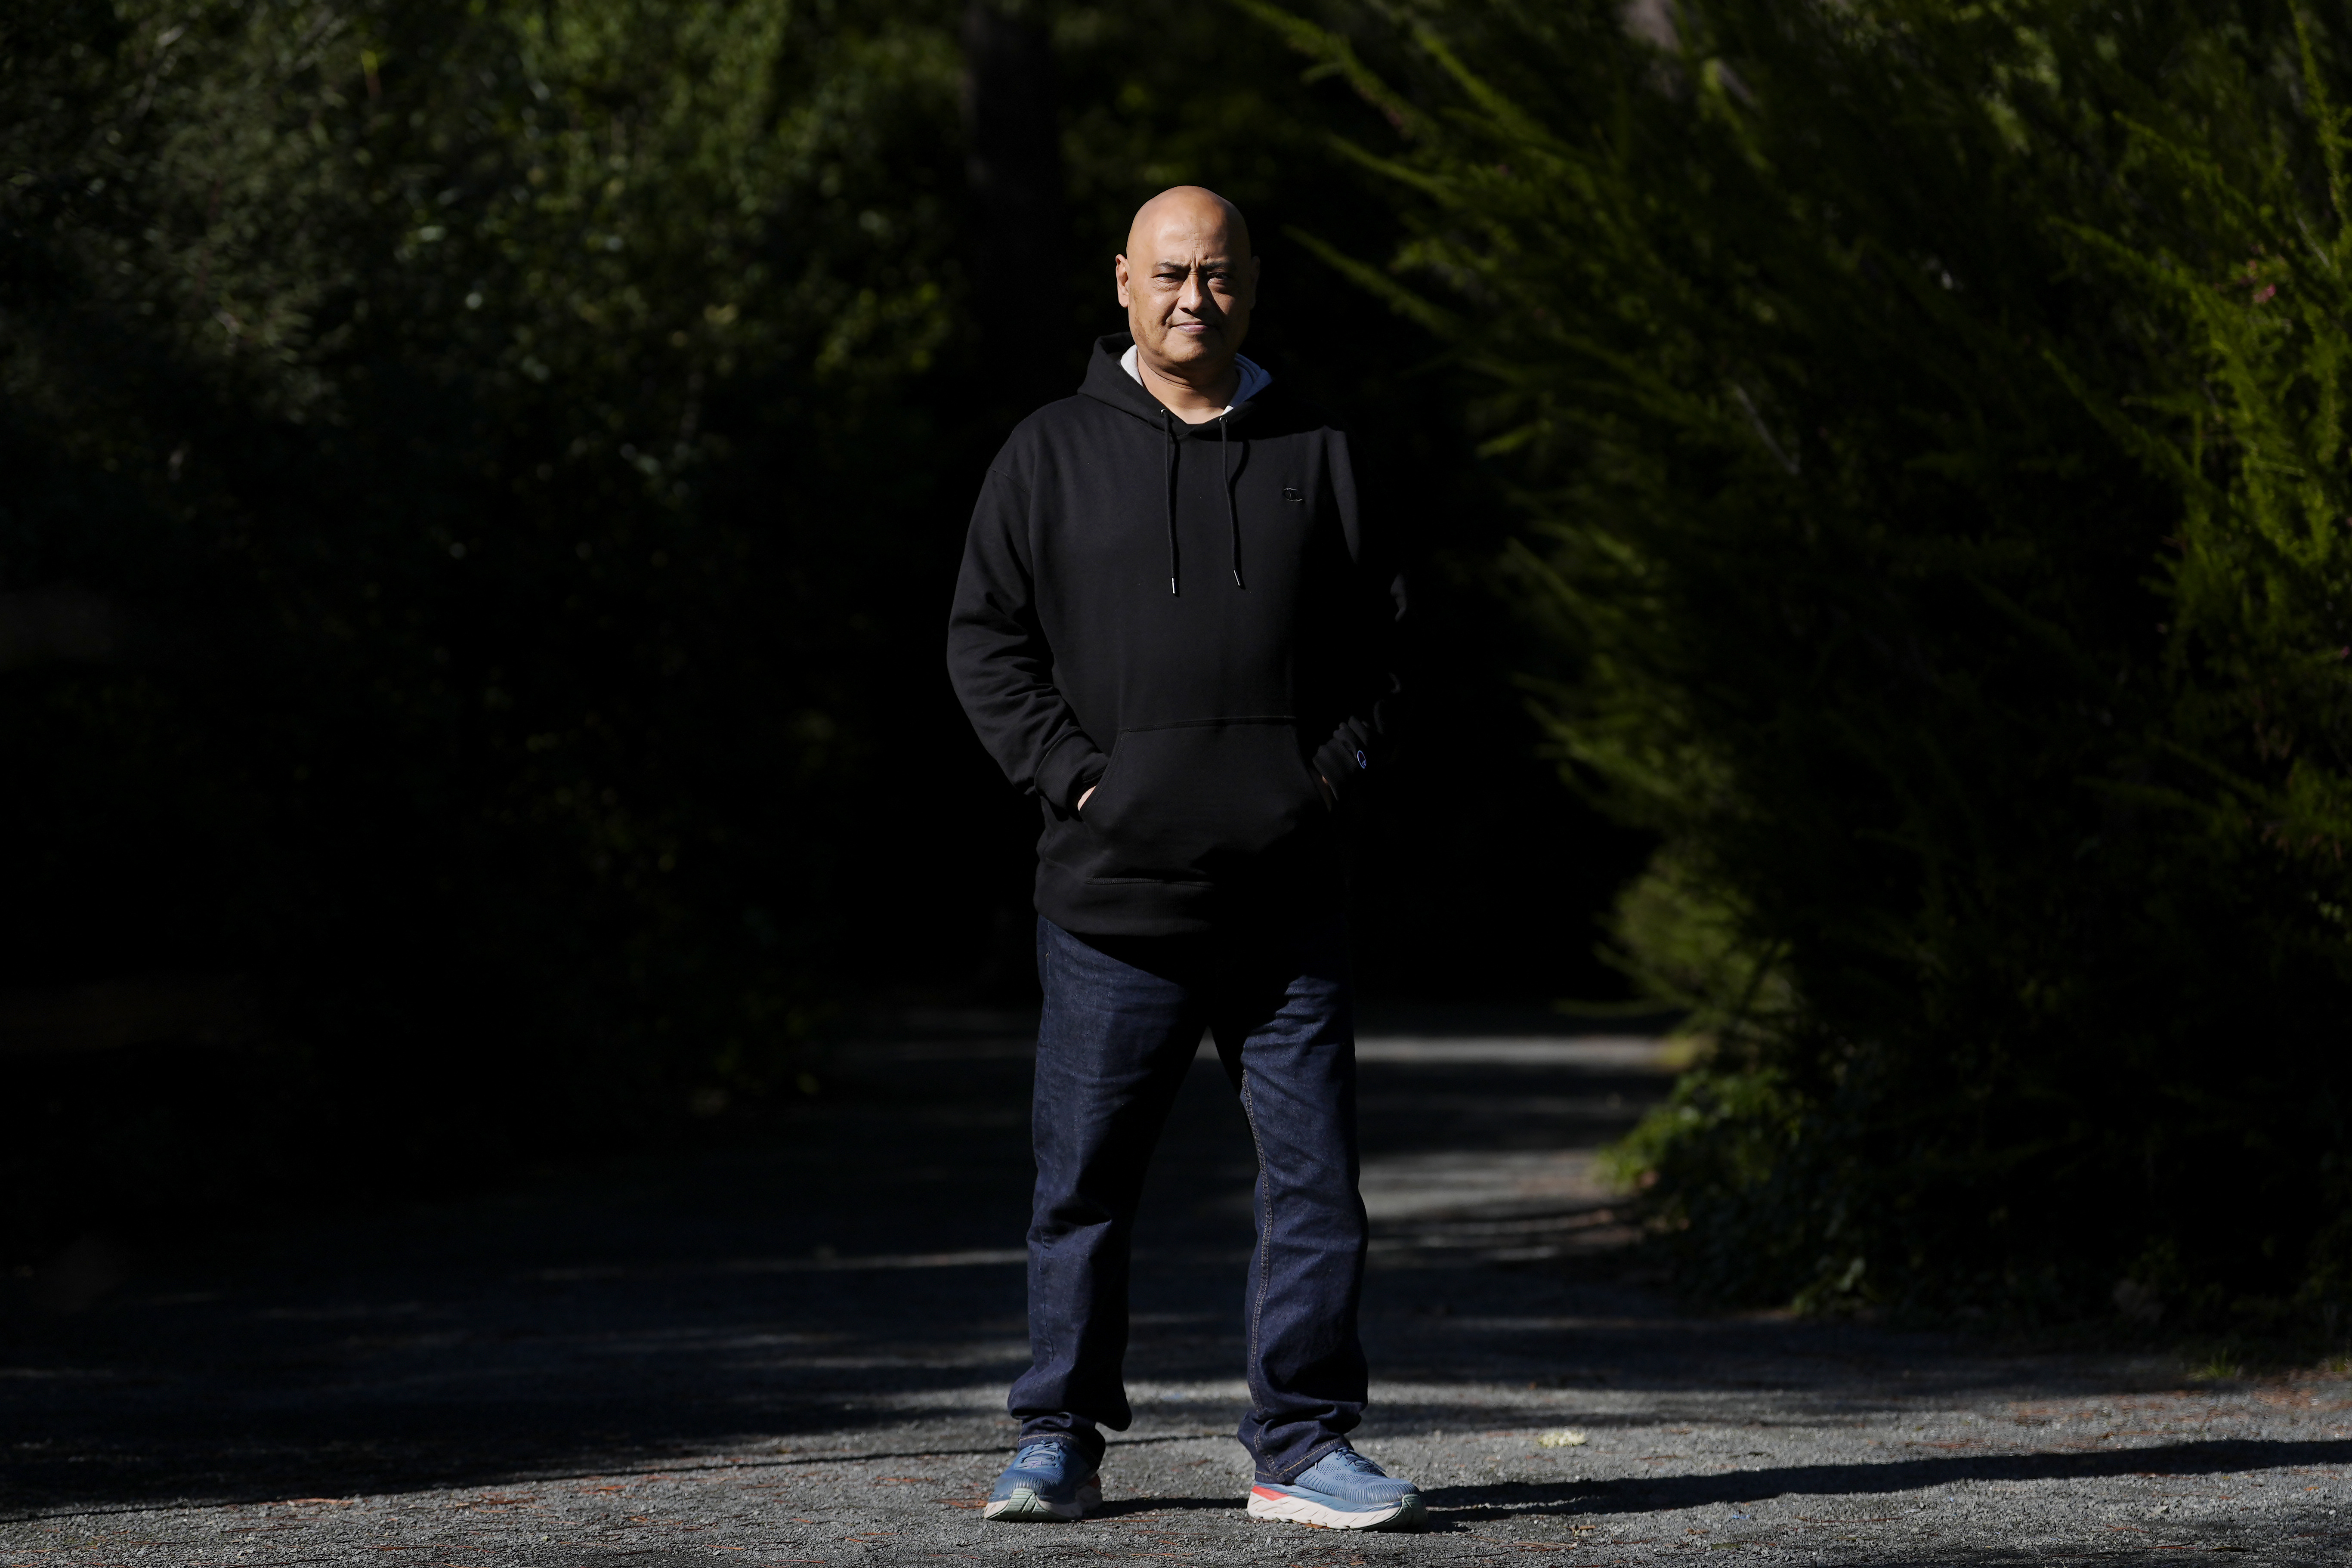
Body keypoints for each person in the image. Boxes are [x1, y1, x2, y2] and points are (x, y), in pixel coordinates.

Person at [945, 186, 1416, 1531]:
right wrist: (1080, 778)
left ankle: (1302, 1444)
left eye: (1216, 275)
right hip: (1110, 900)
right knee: (1082, 1185)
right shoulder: (1045, 454)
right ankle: (1056, 1439)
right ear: (1120, 284)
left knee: (1315, 1182)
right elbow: (982, 641)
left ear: (1250, 285)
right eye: (1167, 275)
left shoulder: (1318, 449)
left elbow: (1389, 650)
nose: (1190, 298)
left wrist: (1324, 774)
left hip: (1286, 898)